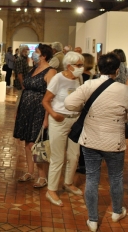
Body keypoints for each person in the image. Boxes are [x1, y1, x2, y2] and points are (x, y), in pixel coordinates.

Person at [64, 52, 128, 231]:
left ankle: (93, 220)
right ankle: (117, 211)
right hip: (115, 141)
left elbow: (69, 103)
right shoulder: (125, 90)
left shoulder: (89, 85)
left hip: (91, 140)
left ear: (98, 68)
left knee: (92, 178)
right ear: (117, 71)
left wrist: (85, 107)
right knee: (116, 177)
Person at [42, 51, 84, 207]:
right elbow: (45, 101)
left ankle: (68, 182)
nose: (81, 68)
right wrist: (53, 114)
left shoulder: (79, 78)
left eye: (81, 65)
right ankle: (51, 189)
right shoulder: (58, 79)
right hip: (59, 121)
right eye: (78, 65)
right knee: (58, 157)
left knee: (74, 155)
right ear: (69, 66)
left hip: (75, 120)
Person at [13, 44, 56, 188]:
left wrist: (46, 117)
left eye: (36, 52)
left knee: (36, 144)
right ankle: (30, 172)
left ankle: (42, 176)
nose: (33, 54)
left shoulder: (50, 72)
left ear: (44, 55)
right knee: (27, 142)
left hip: (39, 110)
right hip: (26, 110)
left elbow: (50, 96)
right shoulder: (33, 69)